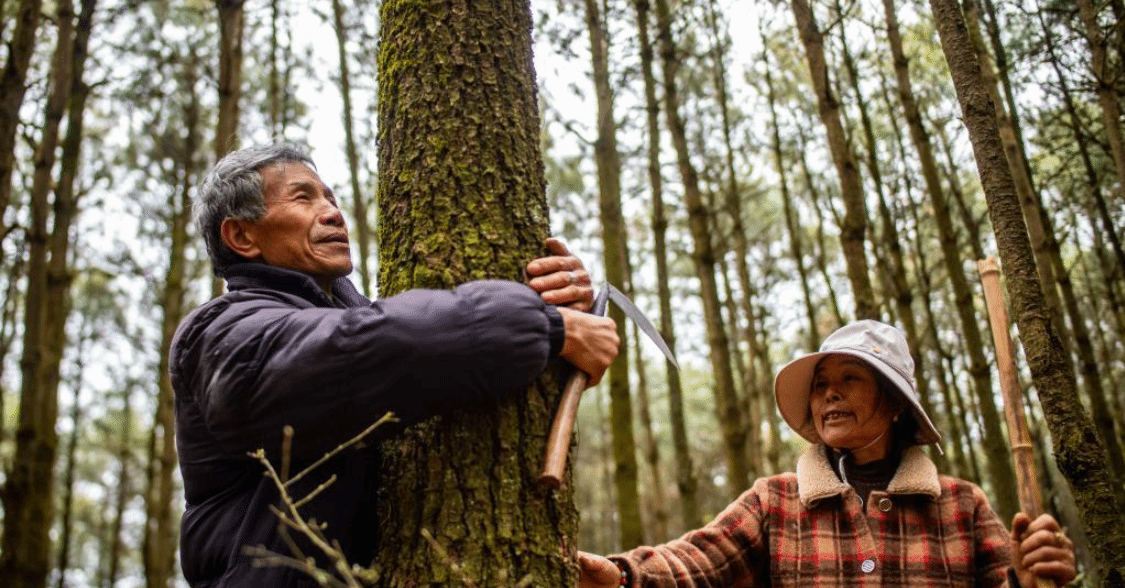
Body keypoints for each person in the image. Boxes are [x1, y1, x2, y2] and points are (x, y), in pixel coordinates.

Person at [171, 143, 619, 587]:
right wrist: (544, 326)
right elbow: (367, 350)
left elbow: (406, 345)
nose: (332, 212)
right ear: (242, 237)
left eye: (331, 198)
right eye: (303, 198)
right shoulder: (222, 333)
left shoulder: (362, 324)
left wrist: (561, 314)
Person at [578, 320, 1076, 588]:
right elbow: (699, 563)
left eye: (849, 380)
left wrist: (1030, 580)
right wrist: (623, 575)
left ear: (897, 403)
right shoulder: (775, 501)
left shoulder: (959, 505)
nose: (828, 396)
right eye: (820, 386)